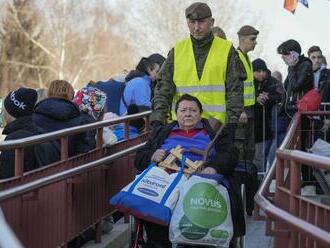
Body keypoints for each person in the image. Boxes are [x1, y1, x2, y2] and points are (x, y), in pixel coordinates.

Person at [135, 94, 245, 248]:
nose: (188, 114)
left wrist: (214, 167)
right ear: (176, 114)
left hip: (201, 180)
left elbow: (231, 154)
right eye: (183, 110)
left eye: (193, 110)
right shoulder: (162, 132)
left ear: (200, 114)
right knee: (147, 200)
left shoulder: (214, 131)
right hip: (166, 181)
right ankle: (159, 242)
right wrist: (151, 156)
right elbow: (139, 159)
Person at [151, 2, 244, 143]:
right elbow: (163, 89)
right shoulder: (177, 50)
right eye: (192, 22)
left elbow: (235, 91)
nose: (196, 27)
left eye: (201, 22)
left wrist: (231, 124)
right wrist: (157, 120)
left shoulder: (226, 50)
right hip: (182, 128)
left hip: (217, 128)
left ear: (211, 22)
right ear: (187, 22)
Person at [0, 87, 59, 179]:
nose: (2, 113)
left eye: (4, 110)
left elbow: (5, 178)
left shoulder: (14, 140)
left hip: (22, 191)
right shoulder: (40, 132)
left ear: (10, 113)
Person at [33, 80, 92, 156]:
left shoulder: (34, 117)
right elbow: (83, 149)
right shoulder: (79, 120)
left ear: (49, 92)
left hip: (40, 165)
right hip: (69, 165)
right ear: (70, 95)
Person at [252, 59, 283, 172]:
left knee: (261, 156)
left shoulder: (272, 81)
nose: (261, 73)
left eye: (263, 71)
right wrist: (256, 97)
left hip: (266, 126)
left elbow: (281, 95)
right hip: (250, 125)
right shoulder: (248, 81)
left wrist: (268, 97)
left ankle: (260, 182)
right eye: (257, 71)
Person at [277, 39, 314, 119]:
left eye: (285, 54)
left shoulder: (305, 65)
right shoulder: (294, 67)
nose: (282, 57)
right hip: (290, 110)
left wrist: (291, 67)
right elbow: (286, 89)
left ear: (294, 54)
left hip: (300, 110)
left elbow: (295, 86)